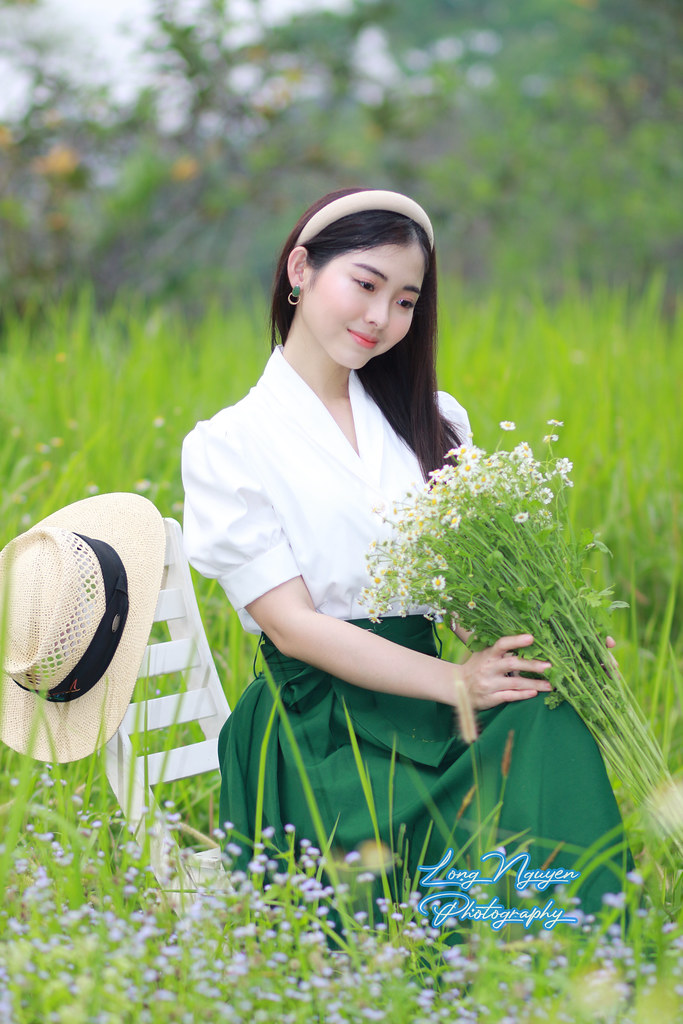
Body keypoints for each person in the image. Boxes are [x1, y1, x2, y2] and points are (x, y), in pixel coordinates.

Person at [182, 188, 631, 923]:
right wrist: (455, 681)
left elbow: (459, 593)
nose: (378, 318)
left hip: (429, 697)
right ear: (300, 270)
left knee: (545, 707)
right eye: (364, 284)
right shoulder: (228, 445)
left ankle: (569, 940)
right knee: (405, 904)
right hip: (320, 722)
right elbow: (293, 627)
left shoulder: (432, 418)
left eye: (404, 301)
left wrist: (554, 648)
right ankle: (486, 941)